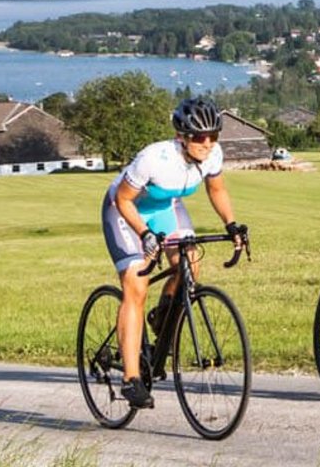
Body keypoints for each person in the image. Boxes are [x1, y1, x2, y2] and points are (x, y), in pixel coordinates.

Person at [99, 97, 247, 409]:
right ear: (181, 136)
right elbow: (123, 200)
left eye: (213, 136)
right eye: (199, 137)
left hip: (166, 208)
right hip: (125, 211)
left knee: (191, 263)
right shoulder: (153, 158)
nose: (207, 143)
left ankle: (163, 316)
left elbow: (217, 190)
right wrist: (145, 234)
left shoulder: (213, 155)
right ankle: (131, 379)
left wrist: (231, 224)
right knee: (136, 285)